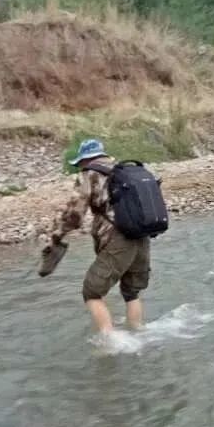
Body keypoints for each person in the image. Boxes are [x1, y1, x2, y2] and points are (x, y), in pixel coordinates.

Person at [40, 138, 155, 334]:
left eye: (80, 164)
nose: (80, 168)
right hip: (142, 235)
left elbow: (75, 214)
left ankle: (109, 344)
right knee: (131, 292)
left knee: (91, 292)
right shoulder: (125, 171)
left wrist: (57, 235)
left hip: (117, 238)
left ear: (86, 160)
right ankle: (138, 335)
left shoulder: (90, 173)